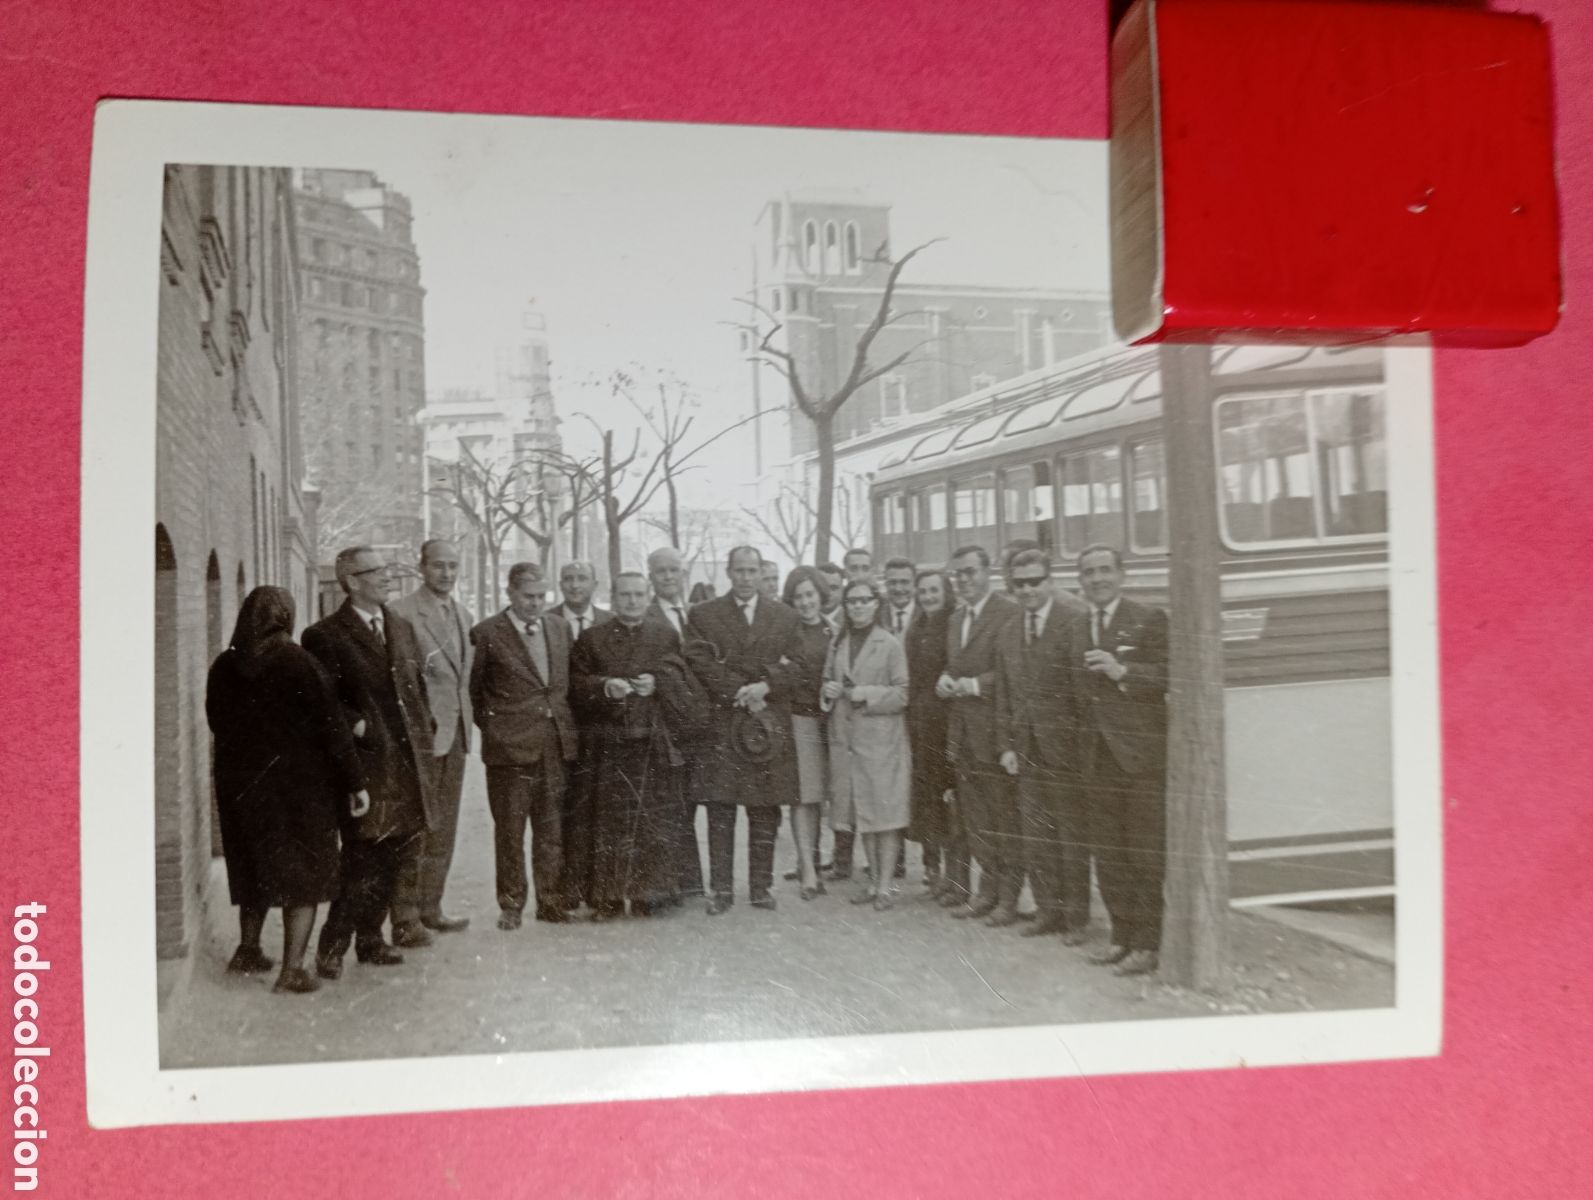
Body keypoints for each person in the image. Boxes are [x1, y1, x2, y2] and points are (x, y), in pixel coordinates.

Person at [205, 586, 370, 995]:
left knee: (252, 866)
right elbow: (333, 729)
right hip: (298, 790)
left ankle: (248, 950)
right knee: (305, 875)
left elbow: (216, 721)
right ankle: (292, 970)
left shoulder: (224, 665)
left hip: (241, 785)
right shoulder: (300, 663)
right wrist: (356, 783)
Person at [303, 547, 436, 980]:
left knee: (395, 856)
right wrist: (358, 726)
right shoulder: (325, 635)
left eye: (386, 569)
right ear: (352, 581)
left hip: (407, 763)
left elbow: (415, 685)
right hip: (365, 766)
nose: (386, 576)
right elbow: (321, 704)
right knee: (362, 859)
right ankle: (332, 947)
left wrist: (426, 725)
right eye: (375, 571)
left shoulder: (400, 626)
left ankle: (371, 940)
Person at [571, 572, 707, 919]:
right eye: (625, 595)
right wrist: (605, 686)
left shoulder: (665, 635)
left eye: (638, 594)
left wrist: (658, 682)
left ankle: (650, 894)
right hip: (609, 744)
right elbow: (575, 685)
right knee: (609, 822)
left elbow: (682, 679)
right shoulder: (591, 638)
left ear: (648, 597)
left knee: (652, 820)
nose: (632, 601)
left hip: (652, 742)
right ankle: (608, 898)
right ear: (613, 597)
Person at [1066, 544, 1169, 977]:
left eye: (1105, 570)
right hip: (1096, 759)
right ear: (1081, 580)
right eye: (1089, 573)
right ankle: (1121, 937)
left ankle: (1148, 944)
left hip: (1140, 760)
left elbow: (1169, 674)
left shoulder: (1148, 618)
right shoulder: (1077, 626)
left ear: (1122, 575)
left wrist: (1122, 671)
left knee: (1144, 853)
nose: (1098, 579)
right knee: (1108, 856)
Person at [684, 545, 800, 914]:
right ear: (728, 572)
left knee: (765, 807)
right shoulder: (704, 614)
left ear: (761, 572)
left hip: (767, 724)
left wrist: (766, 685)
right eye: (739, 570)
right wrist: (738, 689)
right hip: (724, 723)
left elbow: (800, 664)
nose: (746, 578)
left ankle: (761, 887)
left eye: (752, 571)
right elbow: (697, 659)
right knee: (720, 808)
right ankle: (721, 890)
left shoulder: (785, 616)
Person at [469, 562, 578, 930]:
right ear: (510, 593)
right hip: (509, 751)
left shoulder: (559, 628)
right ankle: (511, 904)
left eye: (541, 596)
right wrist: (499, 730)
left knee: (551, 829)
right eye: (528, 596)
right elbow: (475, 692)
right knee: (510, 831)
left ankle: (551, 901)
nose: (536, 604)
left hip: (553, 745)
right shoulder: (487, 633)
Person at [996, 549, 1088, 942]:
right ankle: (1048, 911)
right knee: (1036, 834)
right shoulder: (1009, 630)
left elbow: (1082, 692)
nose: (1028, 589)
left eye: (1035, 581)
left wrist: (1080, 746)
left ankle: (1076, 919)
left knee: (1070, 835)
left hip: (1064, 749)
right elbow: (1004, 694)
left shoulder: (1073, 622)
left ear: (1050, 582)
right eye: (1020, 583)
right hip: (1026, 750)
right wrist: (1006, 745)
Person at [387, 538, 474, 945]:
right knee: (415, 827)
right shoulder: (401, 613)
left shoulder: (463, 614)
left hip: (455, 735)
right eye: (439, 565)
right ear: (421, 567)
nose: (447, 573)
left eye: (453, 566)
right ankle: (404, 915)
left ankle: (431, 907)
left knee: (444, 826)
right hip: (420, 737)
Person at [938, 544, 1021, 925]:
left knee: (1004, 818)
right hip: (964, 735)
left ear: (988, 572)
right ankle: (986, 892)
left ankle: (1008, 898)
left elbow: (1012, 674)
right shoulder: (957, 618)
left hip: (994, 733)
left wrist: (972, 686)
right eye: (958, 574)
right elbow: (954, 665)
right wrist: (945, 678)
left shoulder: (1008, 613)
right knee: (976, 818)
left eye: (970, 571)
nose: (964, 580)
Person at [821, 580, 911, 910]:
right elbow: (827, 681)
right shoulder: (839, 642)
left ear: (876, 603)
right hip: (848, 740)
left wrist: (863, 694)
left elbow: (902, 693)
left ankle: (885, 886)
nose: (858, 606)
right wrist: (828, 691)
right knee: (863, 812)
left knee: (884, 814)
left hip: (882, 741)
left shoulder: (890, 644)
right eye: (852, 601)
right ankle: (873, 883)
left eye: (864, 600)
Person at [549, 559, 611, 910]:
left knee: (596, 812)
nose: (575, 585)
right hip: (557, 733)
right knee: (560, 814)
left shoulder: (609, 622)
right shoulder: (546, 620)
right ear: (560, 584)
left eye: (582, 578)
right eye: (568, 579)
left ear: (594, 584)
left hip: (599, 733)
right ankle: (564, 889)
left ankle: (597, 888)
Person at [646, 545, 706, 900]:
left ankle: (691, 879)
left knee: (694, 800)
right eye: (661, 571)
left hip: (700, 725)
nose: (668, 577)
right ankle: (675, 881)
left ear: (684, 574)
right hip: (666, 726)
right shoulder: (647, 616)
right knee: (671, 802)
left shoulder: (698, 614)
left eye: (674, 570)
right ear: (651, 577)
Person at [781, 566, 834, 899]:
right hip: (801, 718)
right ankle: (809, 872)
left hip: (832, 720)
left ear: (820, 595)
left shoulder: (835, 629)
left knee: (824, 795)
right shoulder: (786, 632)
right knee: (804, 795)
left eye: (810, 594)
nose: (805, 602)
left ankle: (813, 861)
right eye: (798, 596)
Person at [904, 568, 953, 895]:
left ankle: (956, 872)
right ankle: (931, 866)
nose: (928, 597)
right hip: (921, 723)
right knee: (927, 796)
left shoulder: (954, 623)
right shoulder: (916, 628)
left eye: (934, 590)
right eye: (923, 591)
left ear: (945, 592)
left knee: (950, 797)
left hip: (947, 720)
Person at [881, 556, 918, 638]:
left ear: (914, 583)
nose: (898, 588)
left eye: (904, 582)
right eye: (893, 582)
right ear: (886, 584)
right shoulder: (877, 615)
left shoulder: (926, 613)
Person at [817, 562, 845, 630]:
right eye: (823, 587)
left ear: (842, 590)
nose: (828, 594)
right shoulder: (804, 620)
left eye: (834, 588)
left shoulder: (851, 620)